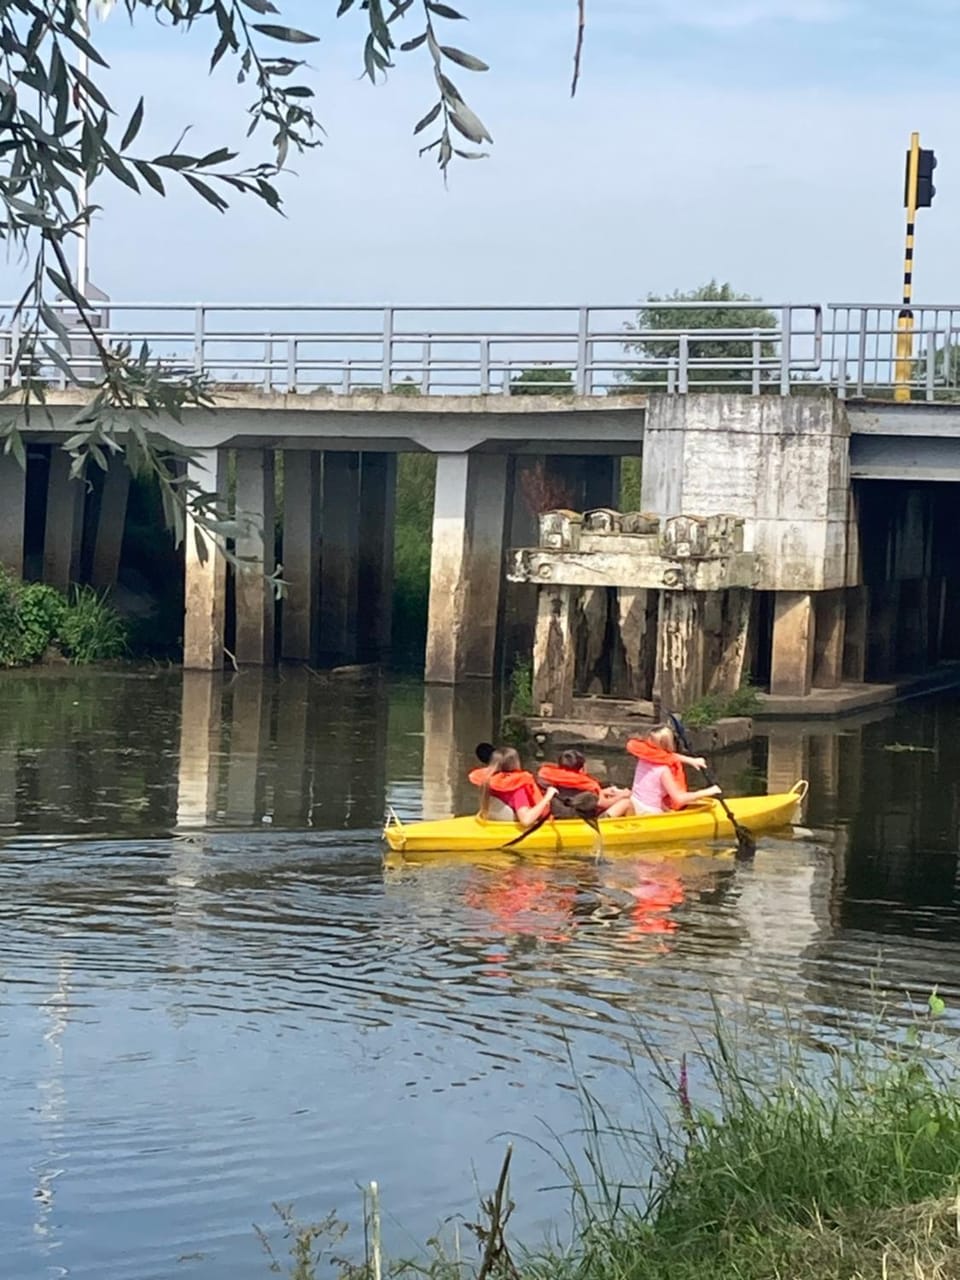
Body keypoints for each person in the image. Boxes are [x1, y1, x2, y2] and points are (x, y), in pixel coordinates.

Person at [602, 724, 722, 817]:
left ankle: (600, 826)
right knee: (625, 803)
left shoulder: (643, 758)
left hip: (643, 808)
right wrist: (709, 791)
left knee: (625, 803)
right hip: (647, 812)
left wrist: (691, 760)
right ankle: (601, 826)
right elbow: (679, 798)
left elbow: (664, 756)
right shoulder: (663, 770)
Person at [468, 746, 558, 828]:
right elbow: (526, 821)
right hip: (512, 828)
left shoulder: (487, 782)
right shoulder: (517, 788)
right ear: (516, 762)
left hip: (492, 823)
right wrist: (548, 796)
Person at [537, 749, 630, 818]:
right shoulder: (588, 786)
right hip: (583, 822)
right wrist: (622, 795)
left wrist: (603, 791)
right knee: (626, 803)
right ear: (582, 769)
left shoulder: (548, 780)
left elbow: (570, 794)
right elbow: (605, 804)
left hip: (558, 818)